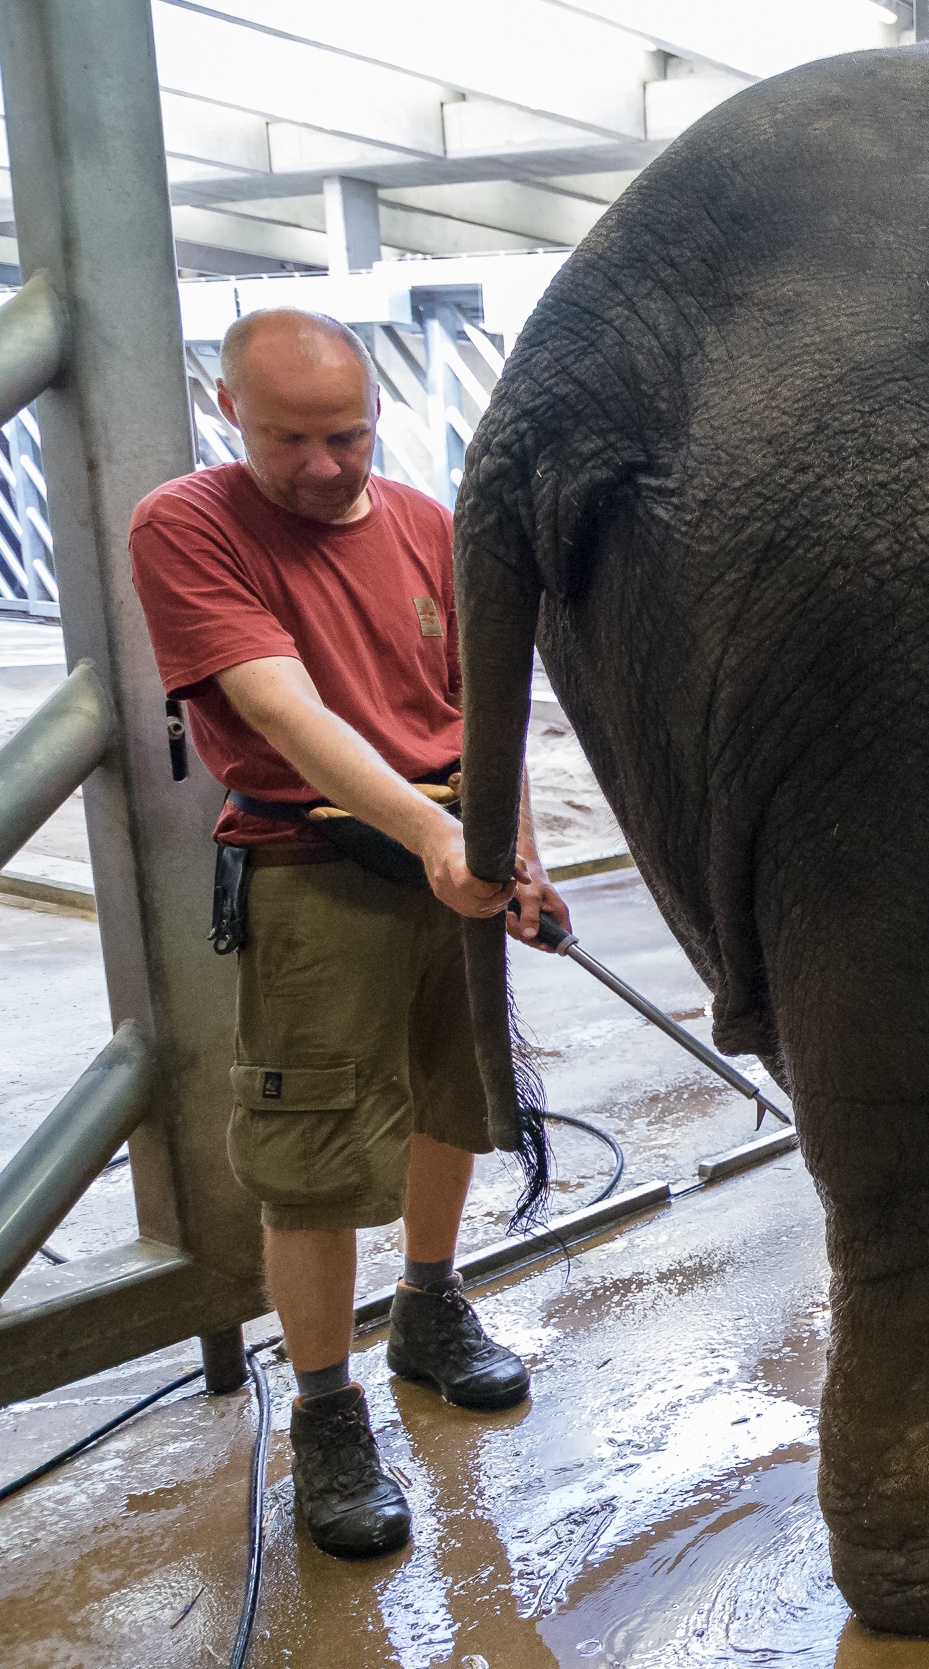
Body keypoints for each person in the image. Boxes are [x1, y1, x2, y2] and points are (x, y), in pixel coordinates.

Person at [128, 309, 571, 1561]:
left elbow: (484, 702)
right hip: (314, 859)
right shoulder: (190, 524)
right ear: (229, 413)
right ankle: (327, 1409)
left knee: (454, 1095)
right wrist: (432, 841)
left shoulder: (428, 524)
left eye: (348, 434)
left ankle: (428, 1308)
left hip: (450, 857)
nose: (326, 465)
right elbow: (284, 706)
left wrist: (510, 844)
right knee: (313, 1146)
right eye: (290, 439)